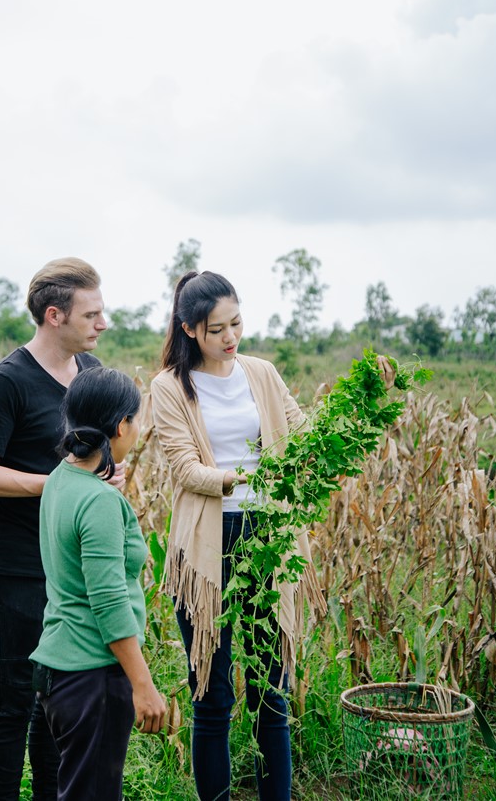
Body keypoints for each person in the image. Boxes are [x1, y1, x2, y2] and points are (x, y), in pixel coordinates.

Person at [151, 271, 394, 801]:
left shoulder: (260, 372)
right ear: (191, 329)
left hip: (269, 538)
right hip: (208, 546)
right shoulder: (169, 387)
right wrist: (240, 478)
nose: (231, 337)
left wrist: (357, 406)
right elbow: (185, 468)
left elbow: (303, 432)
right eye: (217, 329)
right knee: (211, 696)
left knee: (271, 694)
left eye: (236, 323)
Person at [0, 257, 122, 801]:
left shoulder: (93, 374)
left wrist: (105, 476)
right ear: (54, 315)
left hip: (71, 566)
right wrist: (53, 485)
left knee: (60, 697)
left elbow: (94, 458)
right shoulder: (6, 382)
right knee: (15, 699)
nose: (103, 324)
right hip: (19, 565)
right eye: (92, 314)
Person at [30, 366, 166, 801]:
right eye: (137, 419)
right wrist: (143, 685)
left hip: (56, 671)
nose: (139, 429)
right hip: (93, 678)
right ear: (121, 426)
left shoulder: (60, 480)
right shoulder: (100, 501)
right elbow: (108, 603)